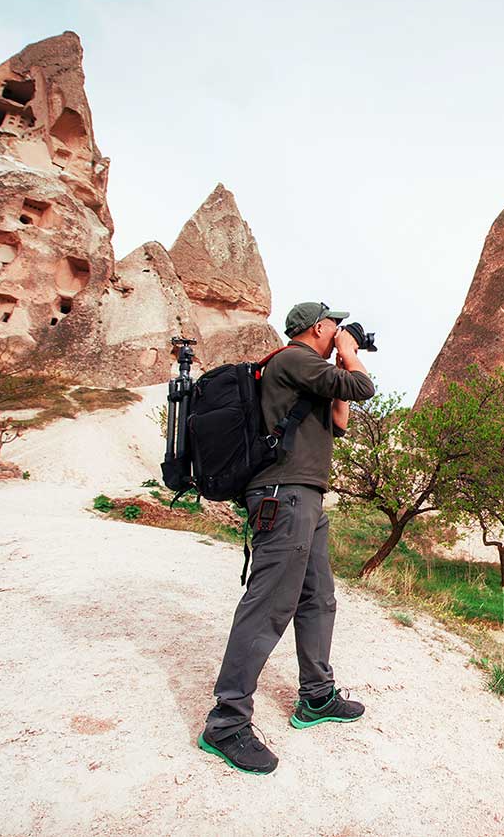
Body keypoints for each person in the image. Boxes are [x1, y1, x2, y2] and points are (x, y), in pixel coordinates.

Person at [198, 301, 375, 775]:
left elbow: (341, 420)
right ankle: (226, 720)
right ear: (318, 327)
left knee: (318, 598)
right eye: (333, 327)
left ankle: (316, 697)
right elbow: (364, 387)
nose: (339, 333)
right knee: (270, 603)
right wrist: (347, 351)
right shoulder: (294, 358)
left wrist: (339, 359)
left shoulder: (309, 371)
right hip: (285, 497)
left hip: (305, 499)